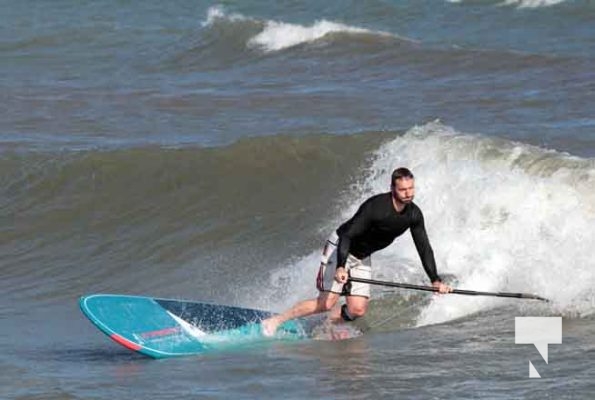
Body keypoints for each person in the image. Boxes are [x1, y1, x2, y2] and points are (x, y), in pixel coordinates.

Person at [262, 167, 452, 336]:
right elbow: (347, 235)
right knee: (325, 303)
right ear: (393, 188)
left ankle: (329, 325)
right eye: (403, 189)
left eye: (411, 188)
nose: (408, 193)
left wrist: (435, 280)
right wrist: (341, 267)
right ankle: (275, 321)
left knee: (357, 309)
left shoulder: (414, 214)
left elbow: (424, 247)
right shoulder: (375, 207)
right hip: (341, 248)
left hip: (362, 256)